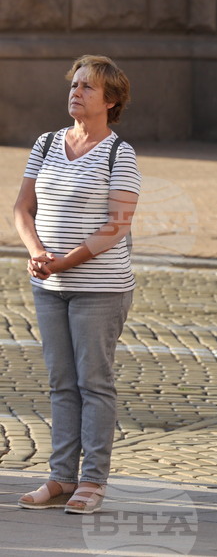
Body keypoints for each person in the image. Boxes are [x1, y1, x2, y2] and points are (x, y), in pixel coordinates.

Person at [13, 55, 140, 515]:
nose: (76, 92)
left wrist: (65, 260)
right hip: (48, 285)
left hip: (100, 288)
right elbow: (23, 209)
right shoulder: (46, 144)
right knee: (61, 382)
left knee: (94, 383)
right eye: (75, 84)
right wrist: (35, 252)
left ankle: (93, 481)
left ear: (110, 100)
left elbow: (116, 227)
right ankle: (62, 476)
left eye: (88, 87)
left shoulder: (117, 152)